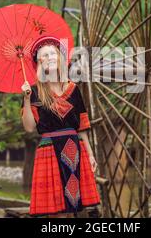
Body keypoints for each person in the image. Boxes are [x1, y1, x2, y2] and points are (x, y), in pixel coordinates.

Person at [21, 36, 100, 217]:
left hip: (74, 147)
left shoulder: (73, 89)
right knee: (55, 210)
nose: (49, 58)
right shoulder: (33, 92)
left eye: (52, 54)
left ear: (59, 58)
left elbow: (81, 124)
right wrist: (26, 99)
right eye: (44, 56)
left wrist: (90, 153)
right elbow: (29, 127)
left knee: (72, 207)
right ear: (39, 63)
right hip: (49, 149)